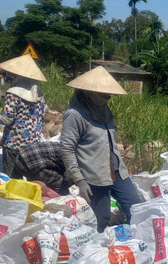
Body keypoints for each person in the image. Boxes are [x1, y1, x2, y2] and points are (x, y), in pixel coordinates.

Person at [59, 66, 141, 232]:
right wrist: (79, 180)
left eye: (109, 95)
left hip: (117, 171)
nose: (108, 98)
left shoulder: (105, 111)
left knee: (136, 208)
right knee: (100, 220)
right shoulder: (75, 115)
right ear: (89, 93)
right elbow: (66, 148)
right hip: (94, 176)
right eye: (103, 95)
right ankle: (97, 252)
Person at [0, 54, 48, 175]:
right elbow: (41, 117)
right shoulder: (39, 94)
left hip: (14, 143)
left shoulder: (13, 93)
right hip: (33, 143)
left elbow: (7, 120)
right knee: (27, 177)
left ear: (17, 75)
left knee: (12, 177)